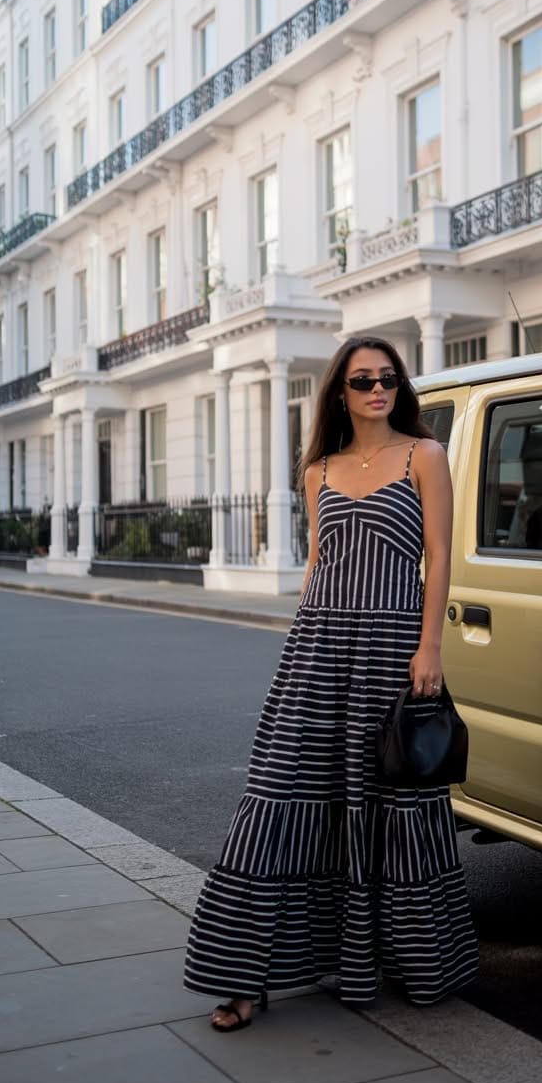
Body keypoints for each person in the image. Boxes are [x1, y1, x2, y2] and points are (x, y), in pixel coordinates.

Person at [184, 335, 479, 1030]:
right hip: (318, 650)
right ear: (339, 394)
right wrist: (299, 645)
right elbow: (319, 564)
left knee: (393, 803)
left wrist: (429, 647)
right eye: (362, 380)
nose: (378, 388)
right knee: (280, 793)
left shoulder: (424, 457)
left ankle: (408, 962)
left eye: (387, 378)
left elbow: (439, 558)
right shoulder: (316, 469)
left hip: (391, 648)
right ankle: (244, 974)